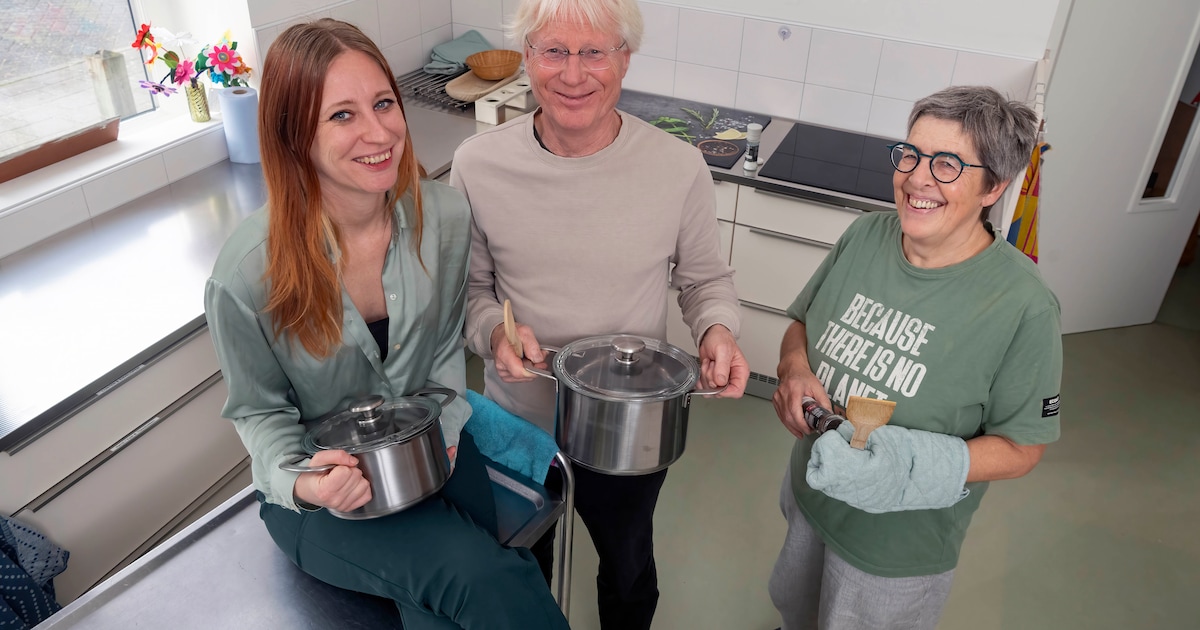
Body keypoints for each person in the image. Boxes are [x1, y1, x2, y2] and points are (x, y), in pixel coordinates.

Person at [203, 19, 568, 630]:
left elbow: (445, 349)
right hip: (326, 499)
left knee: (469, 593)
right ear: (295, 136)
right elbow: (258, 414)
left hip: (435, 448)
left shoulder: (444, 216)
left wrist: (448, 421)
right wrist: (307, 485)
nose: (379, 133)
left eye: (383, 103)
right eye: (341, 116)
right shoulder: (246, 275)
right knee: (486, 579)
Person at [449, 1, 750, 628]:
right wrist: (491, 337)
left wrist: (717, 329)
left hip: (631, 423)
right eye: (553, 51)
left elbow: (704, 281)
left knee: (627, 564)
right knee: (517, 563)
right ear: (527, 58)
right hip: (519, 419)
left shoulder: (677, 167)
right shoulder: (478, 165)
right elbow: (472, 291)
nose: (573, 74)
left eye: (594, 53)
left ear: (625, 59)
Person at [766, 85, 1061, 630]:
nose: (917, 178)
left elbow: (1022, 449)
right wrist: (795, 370)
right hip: (811, 492)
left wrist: (903, 465)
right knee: (795, 611)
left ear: (992, 186)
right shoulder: (865, 235)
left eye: (948, 164)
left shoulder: (1024, 305)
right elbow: (801, 326)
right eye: (911, 153)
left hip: (896, 547)